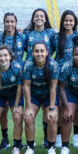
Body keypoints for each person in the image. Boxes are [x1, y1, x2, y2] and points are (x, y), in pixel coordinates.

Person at [24, 8, 57, 146]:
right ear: (33, 18)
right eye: (36, 16)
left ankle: (47, 140)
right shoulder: (27, 33)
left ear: (45, 19)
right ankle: (30, 146)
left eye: (42, 16)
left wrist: (45, 58)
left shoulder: (50, 33)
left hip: (46, 73)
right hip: (34, 79)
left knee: (49, 113)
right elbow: (25, 48)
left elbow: (55, 48)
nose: (39, 18)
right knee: (30, 115)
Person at [21, 42, 59, 154]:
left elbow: (53, 87)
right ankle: (30, 148)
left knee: (52, 118)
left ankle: (51, 148)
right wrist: (28, 106)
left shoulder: (53, 65)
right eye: (36, 51)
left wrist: (52, 108)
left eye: (42, 51)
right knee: (28, 117)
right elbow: (26, 86)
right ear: (32, 53)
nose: (39, 54)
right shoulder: (28, 65)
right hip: (35, 95)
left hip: (49, 95)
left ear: (47, 52)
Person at [53, 10, 78, 148]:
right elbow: (50, 53)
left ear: (75, 22)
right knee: (61, 106)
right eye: (66, 20)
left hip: (76, 76)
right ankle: (58, 135)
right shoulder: (57, 37)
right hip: (61, 76)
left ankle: (76, 135)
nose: (68, 23)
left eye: (71, 20)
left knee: (75, 108)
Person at [0, 12, 26, 149]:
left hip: (18, 81)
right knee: (3, 112)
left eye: (12, 22)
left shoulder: (22, 37)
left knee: (17, 114)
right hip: (2, 80)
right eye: (7, 21)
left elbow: (30, 52)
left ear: (16, 23)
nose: (9, 24)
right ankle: (5, 138)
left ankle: (18, 141)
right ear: (4, 22)